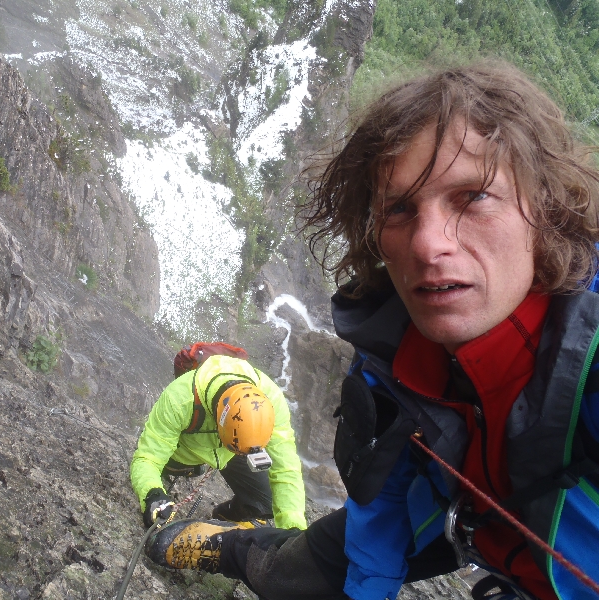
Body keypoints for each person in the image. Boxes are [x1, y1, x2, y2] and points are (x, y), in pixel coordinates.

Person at [144, 62, 599, 600]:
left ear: (545, 210)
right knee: (299, 571)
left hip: (516, 545)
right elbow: (379, 495)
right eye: (400, 208)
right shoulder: (395, 350)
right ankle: (222, 546)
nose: (429, 245)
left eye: (473, 196)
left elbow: (287, 467)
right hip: (465, 517)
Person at [130, 353, 307, 532]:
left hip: (235, 448)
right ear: (218, 422)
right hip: (183, 453)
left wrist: (293, 532)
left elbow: (286, 468)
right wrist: (153, 493)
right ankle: (186, 469)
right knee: (160, 469)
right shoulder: (180, 399)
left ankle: (227, 514)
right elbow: (147, 459)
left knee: (267, 501)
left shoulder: (272, 401)